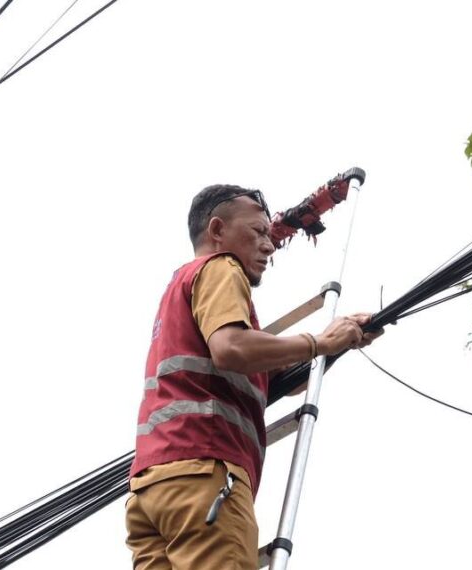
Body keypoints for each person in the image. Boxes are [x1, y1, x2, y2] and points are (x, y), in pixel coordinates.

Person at [125, 184, 382, 569]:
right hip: (204, 474)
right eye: (258, 232)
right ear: (217, 231)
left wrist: (339, 341)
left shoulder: (180, 289)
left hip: (150, 490)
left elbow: (278, 375)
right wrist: (319, 342)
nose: (270, 245)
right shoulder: (219, 269)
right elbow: (231, 348)